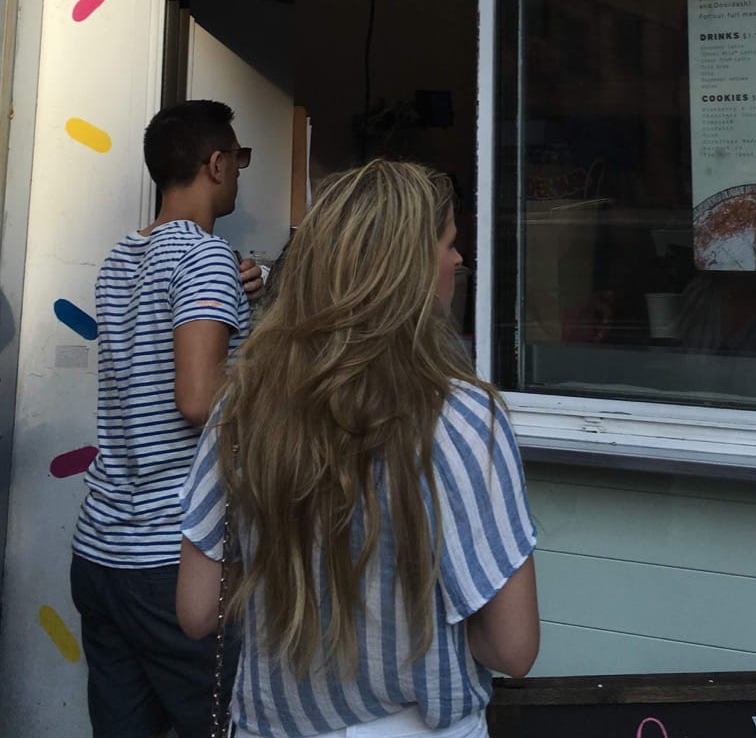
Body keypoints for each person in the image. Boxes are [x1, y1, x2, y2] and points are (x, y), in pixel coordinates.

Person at [177, 159, 539, 738]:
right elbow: (512, 647)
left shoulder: (242, 405)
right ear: (408, 269)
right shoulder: (465, 417)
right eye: (448, 243)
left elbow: (198, 612)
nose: (458, 260)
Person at [71, 98, 264, 738]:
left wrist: (242, 302)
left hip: (102, 550)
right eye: (237, 160)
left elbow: (160, 370)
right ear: (215, 164)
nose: (239, 172)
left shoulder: (121, 260)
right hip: (173, 559)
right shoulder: (207, 259)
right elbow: (199, 400)